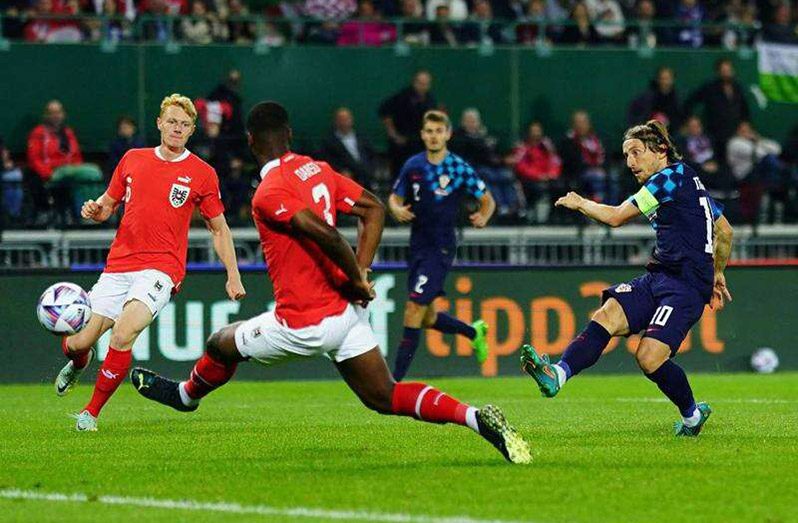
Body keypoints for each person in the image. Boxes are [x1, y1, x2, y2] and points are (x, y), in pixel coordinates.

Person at [129, 101, 531, 464]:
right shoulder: (315, 168)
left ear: (251, 141)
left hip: (303, 323)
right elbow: (373, 209)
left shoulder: (269, 191)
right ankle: (476, 418)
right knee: (384, 395)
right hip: (346, 313)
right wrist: (360, 274)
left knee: (221, 342)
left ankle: (185, 397)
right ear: (288, 134)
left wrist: (357, 277)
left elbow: (322, 232)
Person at [520, 120, 734, 437]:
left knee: (648, 357)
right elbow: (725, 231)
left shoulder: (668, 179)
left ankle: (691, 417)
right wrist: (718, 272)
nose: (630, 162)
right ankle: (557, 374)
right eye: (626, 155)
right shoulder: (686, 180)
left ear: (660, 150)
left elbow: (617, 217)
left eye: (636, 152)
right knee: (607, 314)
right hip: (662, 275)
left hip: (685, 286)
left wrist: (581, 203)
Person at [55, 93, 246, 432]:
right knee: (79, 343)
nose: (177, 129)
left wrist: (233, 275)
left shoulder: (202, 174)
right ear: (159, 123)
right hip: (118, 266)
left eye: (185, 125)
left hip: (161, 268)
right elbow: (106, 205)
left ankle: (90, 414)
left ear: (191, 131)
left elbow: (220, 229)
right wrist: (94, 210)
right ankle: (79, 361)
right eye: (172, 122)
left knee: (124, 332)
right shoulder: (132, 159)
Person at [387, 110, 496, 381]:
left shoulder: (458, 167)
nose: (434, 136)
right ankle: (473, 332)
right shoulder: (413, 166)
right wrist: (396, 209)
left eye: (439, 131)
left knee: (413, 309)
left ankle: (392, 383)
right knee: (426, 317)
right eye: (429, 131)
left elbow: (487, 199)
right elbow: (393, 197)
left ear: (447, 134)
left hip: (441, 248)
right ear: (423, 135)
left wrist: (483, 216)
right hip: (417, 248)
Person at [378, 70, 438, 177]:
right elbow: (384, 111)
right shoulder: (402, 97)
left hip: (420, 144)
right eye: (421, 83)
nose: (423, 87)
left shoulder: (430, 99)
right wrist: (393, 134)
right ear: (414, 83)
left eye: (426, 84)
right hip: (402, 145)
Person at [318, 107, 377, 190]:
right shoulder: (329, 141)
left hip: (366, 176)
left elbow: (371, 154)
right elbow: (327, 161)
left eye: (346, 119)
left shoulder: (361, 137)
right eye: (341, 119)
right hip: (346, 178)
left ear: (351, 120)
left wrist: (371, 170)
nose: (344, 122)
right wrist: (340, 171)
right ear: (336, 121)